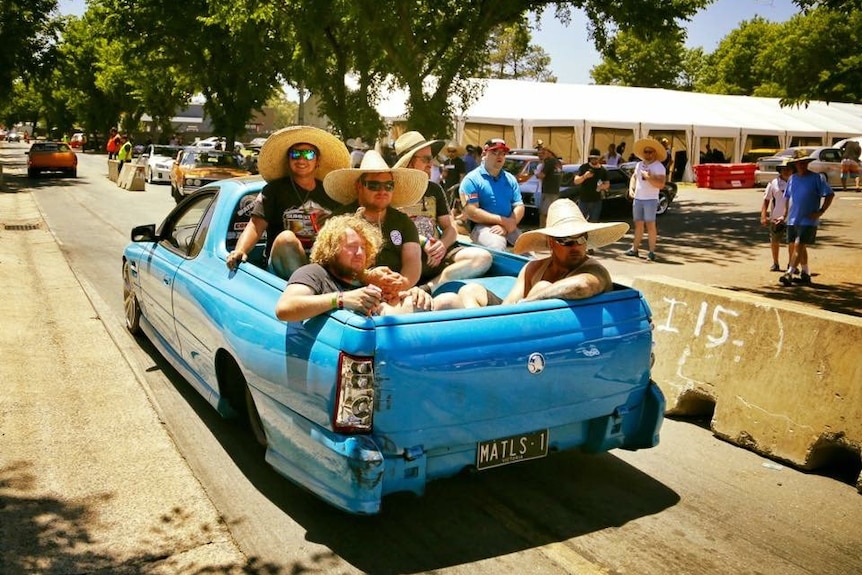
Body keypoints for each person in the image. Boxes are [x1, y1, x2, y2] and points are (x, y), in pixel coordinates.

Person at [437, 199, 628, 309]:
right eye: (568, 241)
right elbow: (509, 306)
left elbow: (583, 286)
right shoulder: (533, 268)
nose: (576, 247)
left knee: (542, 286)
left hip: (547, 339)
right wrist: (517, 308)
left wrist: (531, 300)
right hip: (520, 328)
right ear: (552, 243)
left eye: (582, 239)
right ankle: (480, 337)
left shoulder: (594, 271)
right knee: (468, 291)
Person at [226, 126, 350, 279]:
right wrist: (241, 250)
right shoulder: (273, 191)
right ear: (288, 160)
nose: (301, 159)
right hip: (282, 269)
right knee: (286, 239)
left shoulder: (330, 193)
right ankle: (308, 287)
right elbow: (255, 226)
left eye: (308, 154)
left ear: (317, 161)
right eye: (295, 154)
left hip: (322, 266)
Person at [274, 214, 433, 322]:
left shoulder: (365, 279)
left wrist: (413, 294)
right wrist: (340, 300)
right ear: (331, 249)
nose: (359, 253)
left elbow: (391, 306)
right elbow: (284, 308)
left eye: (363, 247)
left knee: (447, 301)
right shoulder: (315, 273)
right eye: (351, 246)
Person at [392, 131, 492, 292]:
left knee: (482, 258)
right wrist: (424, 244)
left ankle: (431, 287)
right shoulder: (391, 190)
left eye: (431, 158)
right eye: (426, 159)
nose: (431, 164)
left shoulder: (434, 189)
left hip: (439, 254)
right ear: (409, 162)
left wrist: (442, 245)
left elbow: (450, 228)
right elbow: (393, 232)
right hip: (408, 255)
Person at [326, 149, 428, 300]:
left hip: (394, 294)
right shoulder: (340, 219)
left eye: (389, 185)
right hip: (351, 294)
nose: (382, 190)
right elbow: (331, 263)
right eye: (374, 185)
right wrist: (367, 277)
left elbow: (412, 261)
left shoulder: (403, 221)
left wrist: (401, 284)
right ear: (359, 186)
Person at [459, 138, 525, 251]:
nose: (500, 156)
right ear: (484, 153)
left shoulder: (510, 179)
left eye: (503, 153)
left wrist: (509, 224)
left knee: (530, 251)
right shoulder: (471, 180)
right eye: (495, 152)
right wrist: (503, 221)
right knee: (497, 247)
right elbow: (472, 212)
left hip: (510, 225)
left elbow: (519, 206)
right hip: (482, 227)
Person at [779, 155, 834, 286]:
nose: (802, 165)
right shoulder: (792, 179)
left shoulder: (817, 178)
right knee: (797, 247)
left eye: (804, 163)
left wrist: (821, 211)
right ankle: (806, 273)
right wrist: (785, 214)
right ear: (795, 165)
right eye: (799, 163)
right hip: (793, 218)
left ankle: (789, 273)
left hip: (808, 219)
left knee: (799, 244)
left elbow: (830, 194)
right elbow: (787, 197)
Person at [624, 137, 667, 261]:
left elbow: (661, 184)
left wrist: (649, 177)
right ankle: (634, 249)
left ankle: (651, 251)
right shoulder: (639, 164)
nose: (647, 154)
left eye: (650, 152)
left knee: (650, 225)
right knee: (638, 224)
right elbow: (634, 177)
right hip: (638, 198)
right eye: (646, 152)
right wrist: (631, 188)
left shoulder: (659, 167)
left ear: (655, 153)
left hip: (650, 199)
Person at [761, 160, 795, 272]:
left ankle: (791, 264)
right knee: (775, 240)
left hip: (793, 217)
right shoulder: (773, 183)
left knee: (792, 242)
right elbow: (766, 200)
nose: (786, 171)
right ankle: (775, 263)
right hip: (776, 216)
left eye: (789, 169)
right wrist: (764, 216)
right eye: (784, 169)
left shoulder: (796, 182)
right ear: (780, 170)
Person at [572, 148, 610, 225]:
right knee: (580, 222)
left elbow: (607, 184)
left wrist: (601, 187)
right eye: (592, 158)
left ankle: (591, 237)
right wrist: (584, 177)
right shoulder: (584, 167)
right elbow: (576, 181)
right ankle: (580, 236)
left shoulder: (603, 170)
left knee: (594, 223)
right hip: (584, 200)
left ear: (598, 158)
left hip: (596, 200)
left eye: (595, 158)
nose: (593, 160)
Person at [537, 146, 562, 227]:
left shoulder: (549, 162)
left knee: (544, 213)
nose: (543, 154)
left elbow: (542, 175)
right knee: (553, 212)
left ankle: (543, 229)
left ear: (549, 152)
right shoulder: (558, 162)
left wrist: (537, 174)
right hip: (556, 190)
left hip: (548, 190)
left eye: (544, 152)